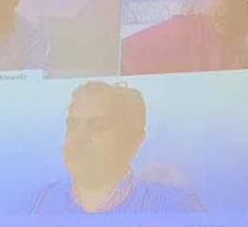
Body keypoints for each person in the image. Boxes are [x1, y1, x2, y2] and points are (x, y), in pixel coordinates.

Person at [27, 81, 205, 213]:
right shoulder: (36, 204)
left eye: (97, 127)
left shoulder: (177, 207)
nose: (79, 138)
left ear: (133, 139)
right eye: (72, 126)